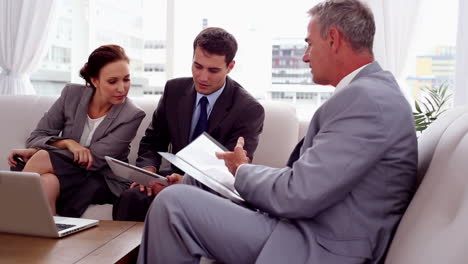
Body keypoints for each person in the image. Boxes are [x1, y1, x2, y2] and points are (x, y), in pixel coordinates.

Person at [137, 0, 418, 263]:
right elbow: (309, 183)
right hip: (307, 227)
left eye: (309, 44)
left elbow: (298, 193)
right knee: (191, 185)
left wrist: (241, 171)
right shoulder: (370, 93)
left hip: (319, 245)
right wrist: (235, 173)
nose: (306, 56)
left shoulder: (368, 100)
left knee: (173, 205)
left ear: (333, 39)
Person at [112, 27, 265, 221]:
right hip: (171, 178)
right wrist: (148, 173)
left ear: (230, 66)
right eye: (197, 66)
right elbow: (153, 140)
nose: (202, 77)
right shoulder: (174, 90)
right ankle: (132, 253)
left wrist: (186, 183)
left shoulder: (248, 109)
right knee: (132, 197)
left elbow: (232, 170)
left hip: (214, 189)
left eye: (213, 70)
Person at [7, 45, 146, 217]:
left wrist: (40, 152)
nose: (122, 88)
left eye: (126, 79)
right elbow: (37, 136)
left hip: (100, 179)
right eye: (113, 81)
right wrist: (67, 143)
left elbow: (94, 159)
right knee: (47, 182)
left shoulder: (131, 114)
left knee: (42, 157)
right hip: (65, 172)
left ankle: (7, 210)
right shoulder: (71, 95)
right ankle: (50, 239)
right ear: (95, 81)